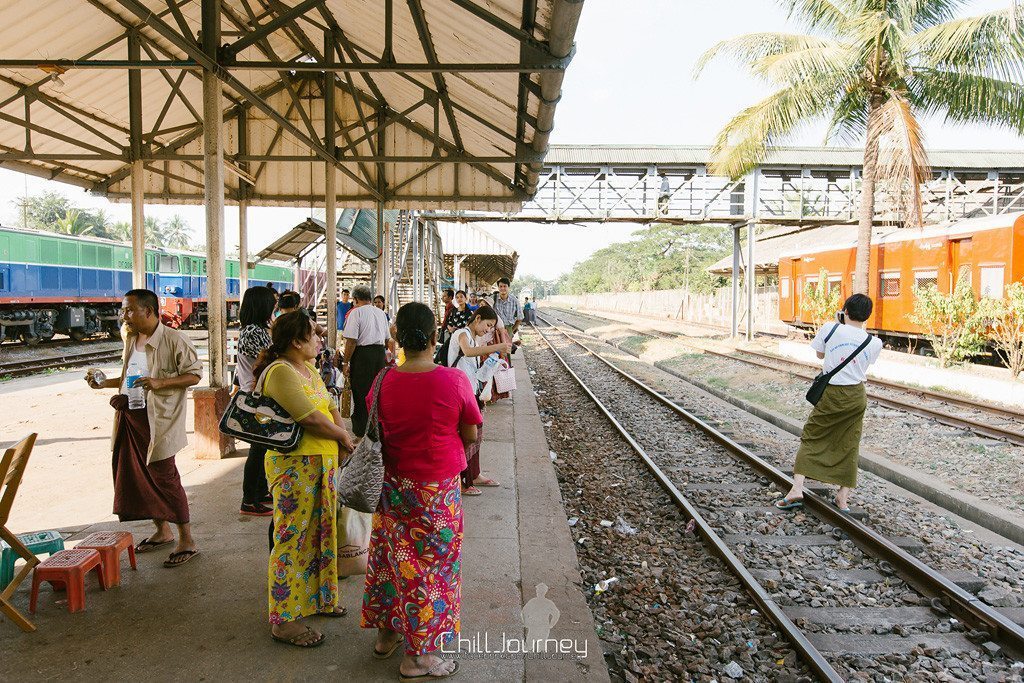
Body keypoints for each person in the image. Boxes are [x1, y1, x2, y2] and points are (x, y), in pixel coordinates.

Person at [362, 302, 481, 680]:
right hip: (437, 492)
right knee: (432, 569)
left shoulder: (382, 380)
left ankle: (387, 634)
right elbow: (471, 432)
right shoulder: (453, 381)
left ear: (397, 336)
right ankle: (418, 658)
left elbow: (374, 423)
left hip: (393, 486)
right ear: (434, 337)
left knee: (392, 560)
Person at [254, 311, 356, 647]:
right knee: (292, 540)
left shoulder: (307, 368)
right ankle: (285, 621)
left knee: (322, 534)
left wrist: (341, 435)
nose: (319, 340)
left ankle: (320, 597)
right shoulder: (281, 371)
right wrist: (342, 438)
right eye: (313, 334)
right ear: (296, 341)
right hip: (295, 466)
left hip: (321, 464)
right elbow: (309, 417)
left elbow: (330, 405)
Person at [86, 289, 202, 568]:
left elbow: (195, 374)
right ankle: (162, 531)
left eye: (129, 310)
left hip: (159, 419)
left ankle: (186, 539)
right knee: (141, 475)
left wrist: (160, 383)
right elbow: (131, 378)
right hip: (131, 417)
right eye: (123, 309)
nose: (123, 315)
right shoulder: (131, 338)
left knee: (165, 476)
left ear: (148, 312)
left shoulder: (174, 339)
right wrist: (104, 383)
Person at [775, 294, 883, 513]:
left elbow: (819, 354)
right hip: (856, 397)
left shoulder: (830, 328)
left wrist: (839, 323)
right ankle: (843, 498)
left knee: (812, 436)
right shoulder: (874, 342)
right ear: (867, 316)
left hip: (831, 394)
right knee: (849, 442)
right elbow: (863, 365)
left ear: (845, 311)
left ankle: (797, 489)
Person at [449, 306, 511, 496]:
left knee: (476, 436)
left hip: (470, 392)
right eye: (488, 325)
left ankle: (474, 474)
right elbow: (467, 352)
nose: (488, 330)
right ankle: (460, 480)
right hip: (458, 394)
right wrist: (498, 347)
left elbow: (473, 371)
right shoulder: (462, 333)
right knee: (467, 437)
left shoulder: (473, 338)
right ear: (477, 319)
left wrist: (492, 362)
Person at [236, 286, 278, 517]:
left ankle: (260, 492)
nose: (274, 306)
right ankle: (249, 500)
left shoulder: (254, 329)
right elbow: (274, 357)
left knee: (262, 448)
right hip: (255, 398)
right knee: (258, 449)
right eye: (271, 303)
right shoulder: (254, 331)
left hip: (257, 395)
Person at [341, 285, 392, 437]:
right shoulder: (381, 313)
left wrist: (345, 362)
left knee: (361, 392)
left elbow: (351, 341)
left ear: (355, 299)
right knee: (377, 391)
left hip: (362, 355)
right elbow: (387, 338)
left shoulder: (356, 313)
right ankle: (377, 428)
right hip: (378, 354)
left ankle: (361, 430)